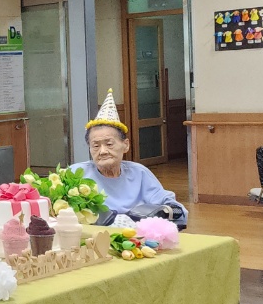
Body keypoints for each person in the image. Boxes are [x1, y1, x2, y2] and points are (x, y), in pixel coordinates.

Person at [71, 90, 187, 225]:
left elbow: (173, 207)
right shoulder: (76, 173)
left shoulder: (139, 173)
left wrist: (163, 212)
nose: (102, 151)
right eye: (95, 146)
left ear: (125, 145)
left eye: (109, 144)